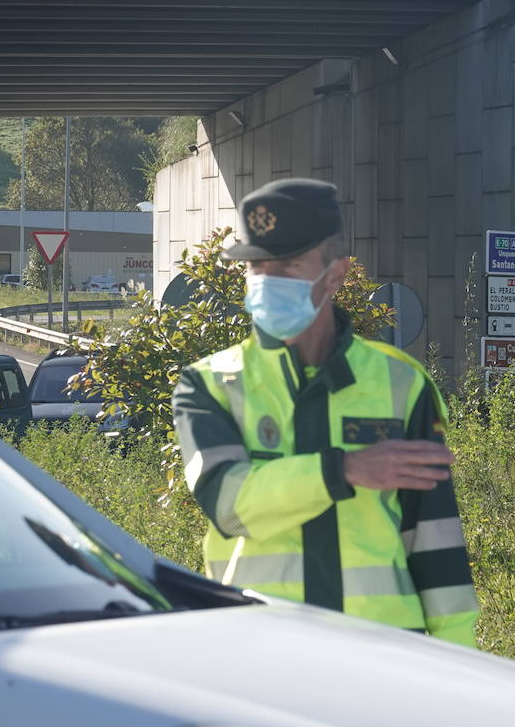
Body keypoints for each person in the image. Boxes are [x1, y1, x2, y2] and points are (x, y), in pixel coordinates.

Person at [171, 178, 479, 647]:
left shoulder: (402, 383)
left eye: (288, 266)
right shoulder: (209, 384)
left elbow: (436, 542)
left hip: (386, 654)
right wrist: (346, 469)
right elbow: (230, 507)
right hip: (260, 656)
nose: (266, 281)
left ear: (336, 275)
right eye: (256, 266)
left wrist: (461, 664)